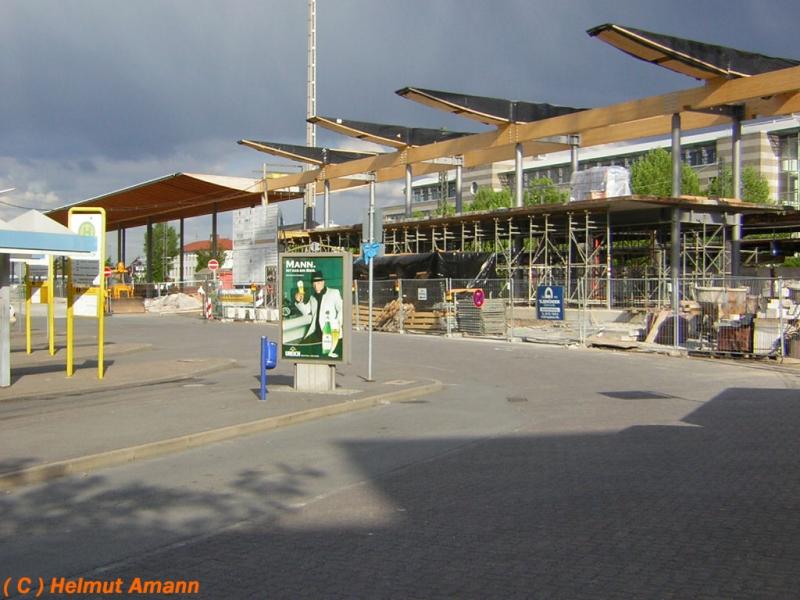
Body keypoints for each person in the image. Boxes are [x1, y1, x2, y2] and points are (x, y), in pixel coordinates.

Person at [294, 270, 343, 342]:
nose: (316, 286)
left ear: (323, 282)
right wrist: (298, 301)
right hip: (315, 332)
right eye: (314, 283)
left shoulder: (334, 293)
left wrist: (337, 324)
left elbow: (342, 309)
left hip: (330, 332)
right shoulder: (312, 297)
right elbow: (306, 311)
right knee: (302, 345)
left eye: (318, 283)